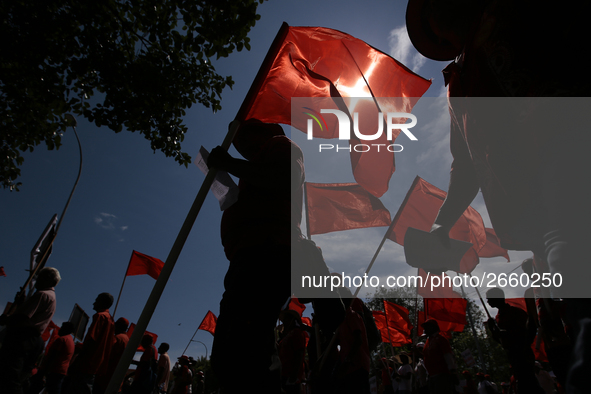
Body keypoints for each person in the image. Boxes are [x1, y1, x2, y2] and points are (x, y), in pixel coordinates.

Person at [405, 1, 591, 392]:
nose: (439, 10)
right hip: (533, 205)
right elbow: (465, 166)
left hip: (569, 152)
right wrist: (440, 226)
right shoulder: (459, 85)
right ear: (436, 33)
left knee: (572, 263)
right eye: (430, 12)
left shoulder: (509, 11)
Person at [207, 119, 305, 394]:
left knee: (241, 348)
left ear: (265, 132)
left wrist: (230, 164)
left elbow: (282, 179)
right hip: (253, 255)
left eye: (246, 139)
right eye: (239, 144)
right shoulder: (257, 164)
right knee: (241, 347)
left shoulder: (282, 145)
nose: (243, 147)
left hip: (266, 253)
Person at [0, 266, 61, 394]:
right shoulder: (51, 296)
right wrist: (21, 303)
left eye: (40, 278)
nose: (37, 280)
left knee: (10, 377)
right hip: (34, 340)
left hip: (24, 338)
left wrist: (6, 319)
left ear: (48, 280)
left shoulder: (42, 295)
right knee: (18, 377)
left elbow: (22, 318)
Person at [486, 287, 543, 394]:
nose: (487, 301)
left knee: (527, 383)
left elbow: (524, 333)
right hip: (512, 355)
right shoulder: (498, 317)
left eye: (489, 298)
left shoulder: (515, 312)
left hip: (523, 353)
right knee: (528, 384)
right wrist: (493, 330)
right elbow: (502, 341)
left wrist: (501, 332)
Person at [64, 292, 115, 394]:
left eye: (96, 301)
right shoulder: (110, 320)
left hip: (87, 363)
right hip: (96, 364)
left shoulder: (100, 316)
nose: (93, 303)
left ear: (102, 302)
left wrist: (78, 360)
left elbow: (91, 340)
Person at [333, 298, 371, 394]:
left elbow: (358, 340)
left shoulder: (352, 315)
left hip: (357, 365)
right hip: (348, 367)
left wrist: (347, 362)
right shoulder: (341, 321)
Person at [93, 317, 130, 394]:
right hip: (116, 381)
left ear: (119, 326)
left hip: (105, 379)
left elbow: (106, 355)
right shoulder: (127, 340)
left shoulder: (117, 338)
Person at [421, 319, 457, 394]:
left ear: (433, 327)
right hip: (431, 376)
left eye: (427, 327)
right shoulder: (428, 342)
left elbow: (448, 355)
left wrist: (452, 371)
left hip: (442, 375)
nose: (425, 329)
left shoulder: (441, 339)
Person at [277, 309, 307, 394]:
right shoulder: (287, 335)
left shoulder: (297, 333)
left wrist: (294, 375)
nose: (284, 322)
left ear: (292, 320)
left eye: (286, 319)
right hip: (284, 374)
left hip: (291, 377)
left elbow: (299, 353)